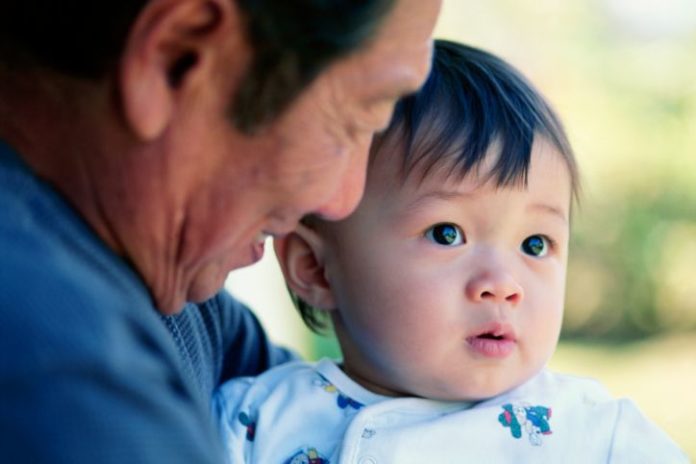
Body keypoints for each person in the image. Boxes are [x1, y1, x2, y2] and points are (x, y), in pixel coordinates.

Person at [0, 0, 441, 462]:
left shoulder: (184, 308)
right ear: (178, 58)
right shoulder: (60, 374)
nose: (342, 200)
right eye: (358, 120)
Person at [214, 40, 688, 462]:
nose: (503, 284)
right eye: (446, 233)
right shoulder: (253, 421)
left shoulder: (599, 436)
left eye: (535, 244)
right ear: (315, 268)